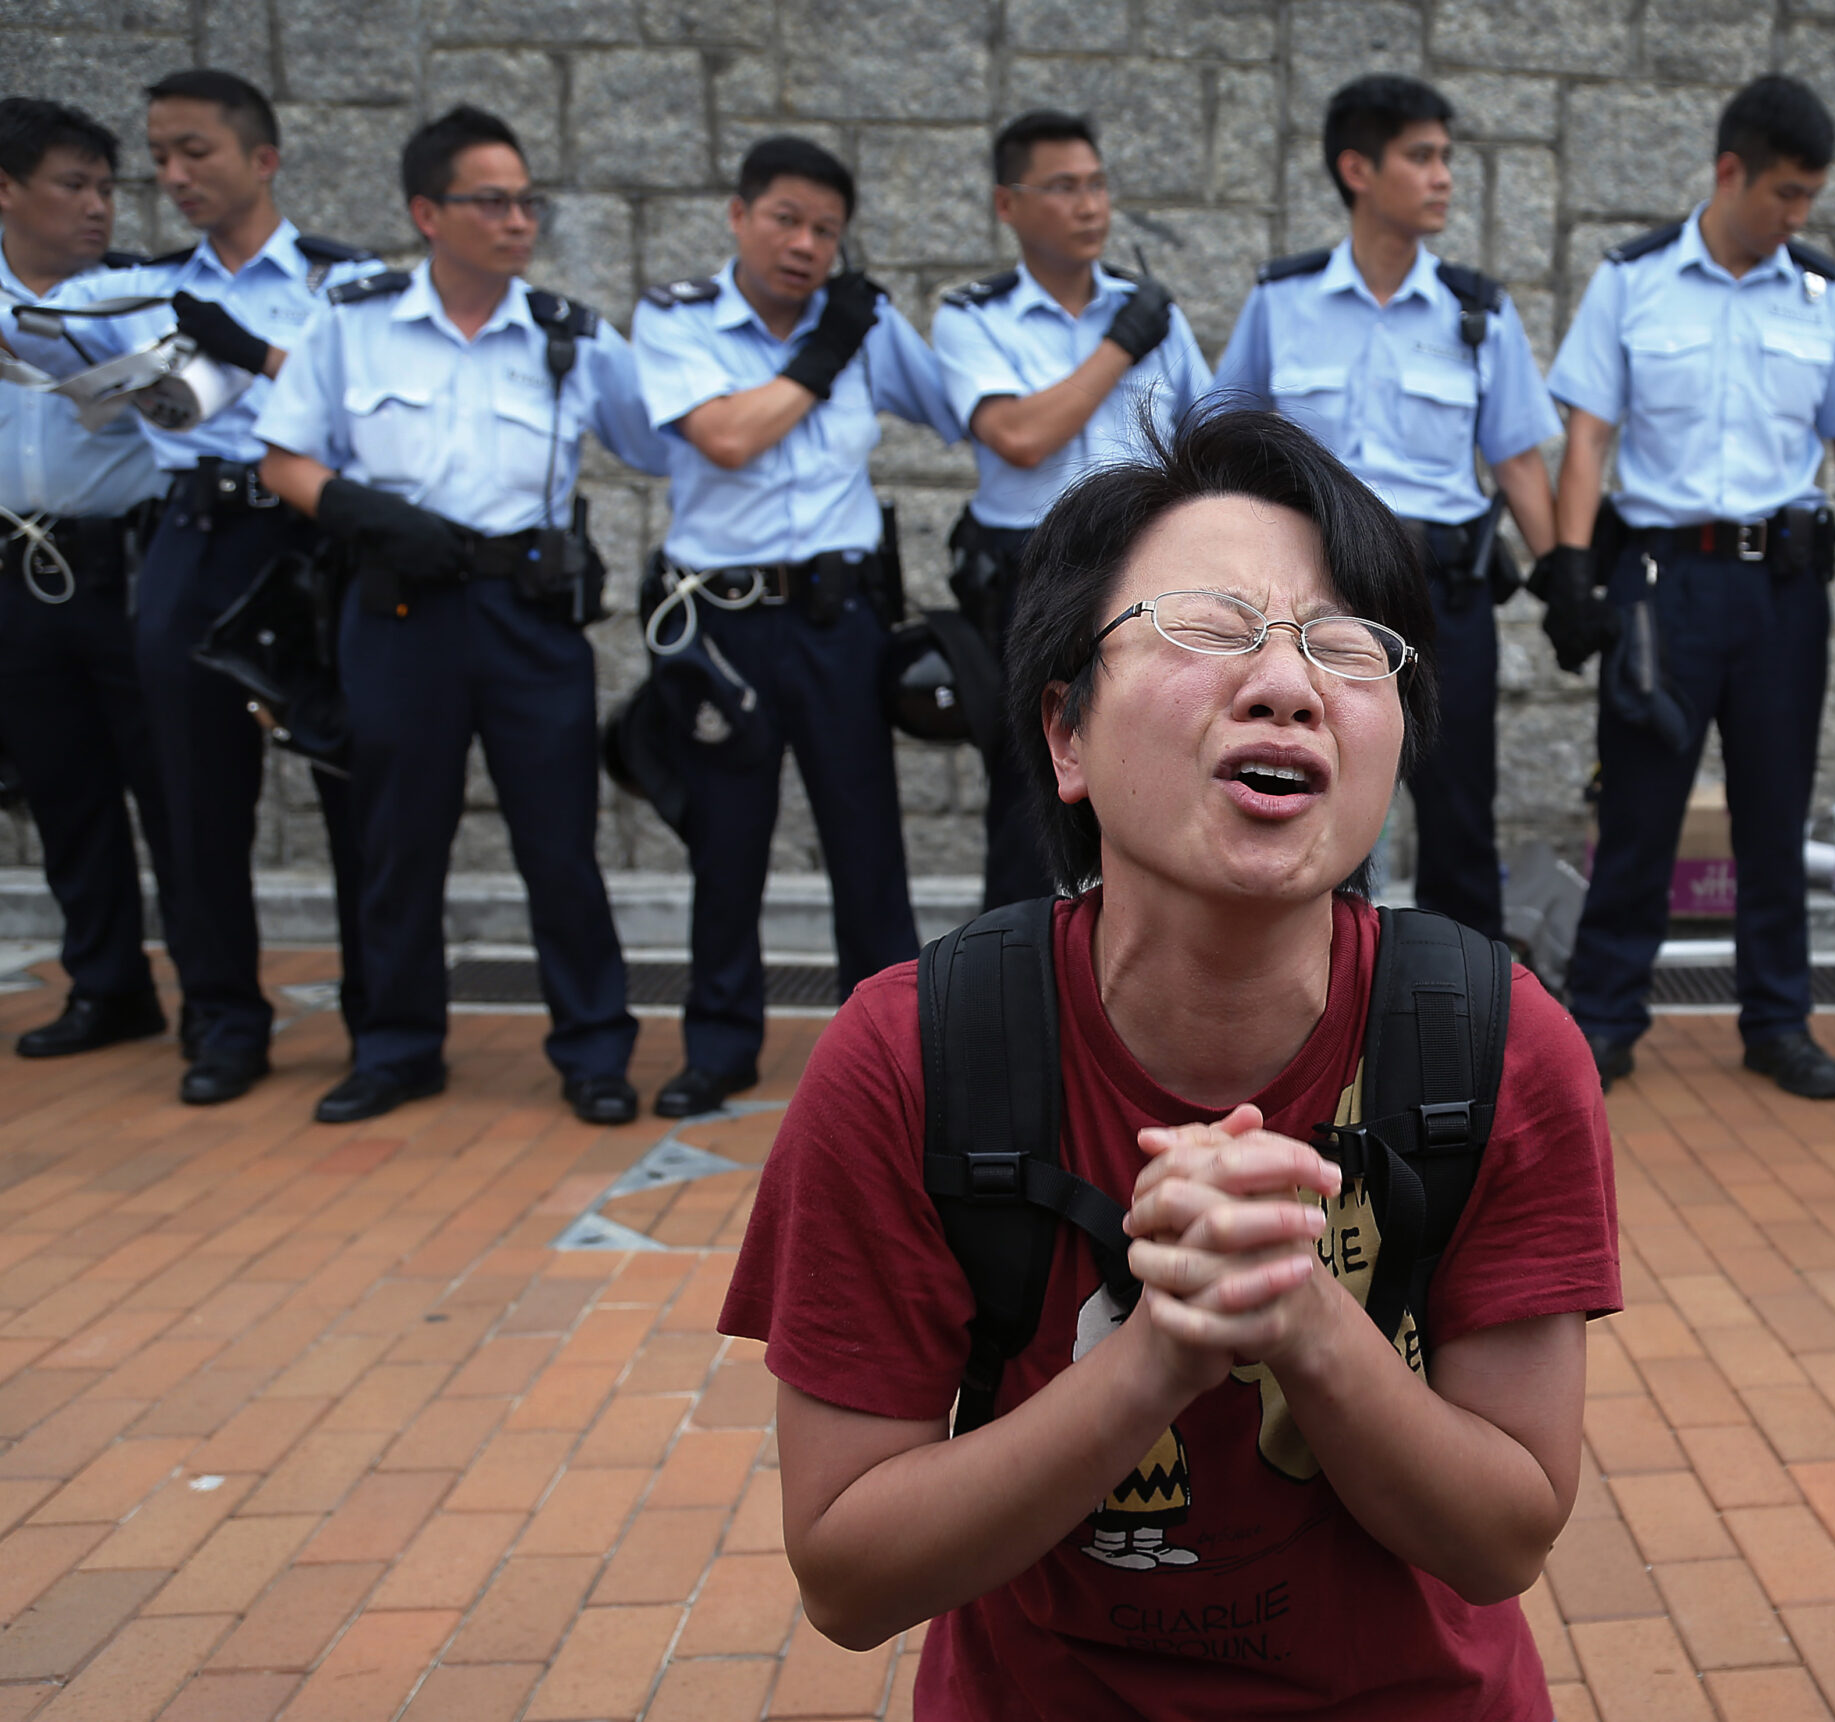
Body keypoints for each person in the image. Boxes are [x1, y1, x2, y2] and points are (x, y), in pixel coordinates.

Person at [719, 409, 1617, 1717]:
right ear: (1066, 734)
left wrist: (1302, 1316)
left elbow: (1504, 1540)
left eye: (1343, 646)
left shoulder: (1500, 1043)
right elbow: (848, 1578)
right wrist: (1157, 1355)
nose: (1287, 684)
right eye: (1208, 626)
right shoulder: (908, 1057)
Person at [256, 105, 669, 1125]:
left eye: (528, 202)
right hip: (400, 611)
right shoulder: (352, 324)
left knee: (559, 847)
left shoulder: (573, 337)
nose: (518, 221)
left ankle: (593, 1049)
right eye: (492, 202)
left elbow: (659, 443)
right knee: (397, 841)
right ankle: (395, 1048)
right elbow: (283, 459)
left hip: (529, 617)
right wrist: (366, 514)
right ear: (427, 213)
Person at [16, 70, 380, 1105]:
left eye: (194, 151)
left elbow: (378, 400)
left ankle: (383, 1021)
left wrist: (254, 354)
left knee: (354, 790)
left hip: (315, 538)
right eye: (159, 156)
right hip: (194, 534)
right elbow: (25, 318)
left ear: (262, 160)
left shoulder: (345, 282)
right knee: (194, 796)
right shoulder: (134, 289)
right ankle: (223, 1022)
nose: (172, 176)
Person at [1540, 75, 1835, 1098]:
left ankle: (1778, 1021)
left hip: (1782, 591)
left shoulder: (1823, 296)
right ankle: (1605, 1016)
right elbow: (1588, 436)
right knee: (1640, 808)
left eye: (1810, 197)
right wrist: (1570, 571)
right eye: (1785, 193)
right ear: (1730, 171)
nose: (1797, 216)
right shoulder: (1633, 282)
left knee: (1775, 813)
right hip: (1663, 588)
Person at [629, 135, 962, 1120]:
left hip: (838, 619)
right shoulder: (677, 319)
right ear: (739, 216)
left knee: (865, 839)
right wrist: (826, 355)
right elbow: (727, 438)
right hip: (723, 625)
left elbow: (959, 410)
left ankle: (897, 1051)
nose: (806, 244)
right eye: (786, 219)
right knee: (727, 841)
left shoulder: (866, 322)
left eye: (826, 229)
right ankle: (720, 1045)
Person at [1209, 74, 1559, 946]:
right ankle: (1314, 987)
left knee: (1460, 806)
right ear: (1358, 169)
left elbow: (1517, 461)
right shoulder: (1283, 303)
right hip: (1318, 596)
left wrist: (1566, 580)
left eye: (1446, 157)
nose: (1443, 177)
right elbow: (1226, 442)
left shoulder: (1477, 311)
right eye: (1422, 156)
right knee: (1314, 794)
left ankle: (1467, 995)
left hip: (1443, 594)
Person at [933, 109, 1212, 913]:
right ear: (1007, 204)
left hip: (1141, 569)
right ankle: (1013, 967)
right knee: (1029, 782)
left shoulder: (1151, 309)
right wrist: (1119, 346)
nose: (1089, 205)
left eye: (1097, 185)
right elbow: (1019, 436)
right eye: (1062, 188)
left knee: (1158, 758)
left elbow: (1202, 437)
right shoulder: (973, 318)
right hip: (1029, 575)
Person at [0, 100, 179, 1060]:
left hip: (128, 568)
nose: (97, 207)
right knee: (64, 793)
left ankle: (217, 997)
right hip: (17, 571)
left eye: (107, 187)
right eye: (73, 185)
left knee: (174, 791)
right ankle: (107, 989)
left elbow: (183, 409)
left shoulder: (142, 299)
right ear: (6, 190)